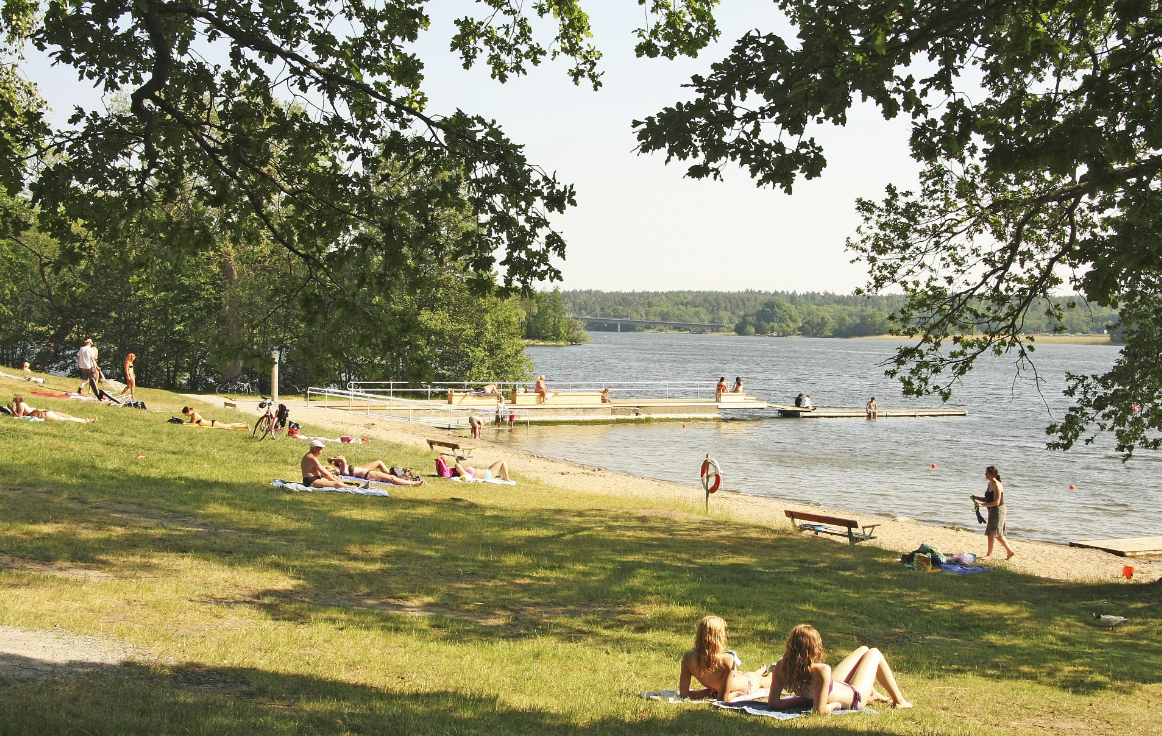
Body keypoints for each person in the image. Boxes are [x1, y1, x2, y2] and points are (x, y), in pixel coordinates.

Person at [767, 624, 911, 714]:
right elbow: (819, 712)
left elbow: (774, 703)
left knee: (863, 649)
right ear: (814, 649)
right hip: (855, 697)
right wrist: (836, 705)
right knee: (874, 653)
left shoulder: (782, 666)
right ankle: (899, 701)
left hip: (835, 687)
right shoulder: (821, 670)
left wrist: (798, 700)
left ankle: (873, 694)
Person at [679, 615, 773, 703]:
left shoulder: (688, 658)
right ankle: (764, 671)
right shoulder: (726, 660)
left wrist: (709, 693)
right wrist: (735, 693)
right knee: (754, 677)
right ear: (719, 637)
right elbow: (723, 699)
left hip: (748, 683)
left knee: (764, 679)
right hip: (746, 683)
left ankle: (771, 670)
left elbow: (684, 694)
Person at [971, 465, 1015, 559]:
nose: (985, 474)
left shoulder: (997, 484)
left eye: (986, 473)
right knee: (995, 534)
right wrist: (976, 498)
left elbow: (996, 502)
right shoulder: (990, 483)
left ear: (992, 474)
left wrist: (982, 505)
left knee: (993, 533)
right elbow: (988, 499)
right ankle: (1009, 552)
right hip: (992, 511)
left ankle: (989, 554)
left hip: (998, 511)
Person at [301, 440, 366, 488]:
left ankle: (354, 485)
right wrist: (336, 481)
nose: (322, 450)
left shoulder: (310, 456)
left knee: (336, 478)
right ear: (315, 448)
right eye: (320, 448)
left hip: (316, 478)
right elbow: (324, 473)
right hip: (311, 481)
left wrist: (334, 477)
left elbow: (323, 471)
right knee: (336, 484)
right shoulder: (311, 458)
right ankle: (358, 488)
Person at [328, 456, 424, 486]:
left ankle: (410, 482)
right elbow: (342, 460)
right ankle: (411, 483)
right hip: (368, 475)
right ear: (339, 463)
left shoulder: (344, 469)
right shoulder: (343, 469)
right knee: (392, 478)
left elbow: (342, 460)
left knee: (391, 478)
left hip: (368, 473)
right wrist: (332, 459)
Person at [9, 394, 97, 423]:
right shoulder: (22, 403)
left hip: (42, 414)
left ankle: (85, 421)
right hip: (43, 412)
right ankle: (87, 420)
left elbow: (19, 416)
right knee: (67, 417)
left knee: (64, 419)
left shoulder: (20, 404)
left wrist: (13, 409)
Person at [180, 406, 249, 430]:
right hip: (211, 423)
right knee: (229, 424)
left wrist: (184, 423)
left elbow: (192, 424)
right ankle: (242, 423)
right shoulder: (193, 414)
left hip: (213, 424)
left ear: (188, 412)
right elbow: (192, 423)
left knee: (229, 426)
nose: (186, 416)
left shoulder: (194, 414)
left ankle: (245, 426)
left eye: (185, 414)